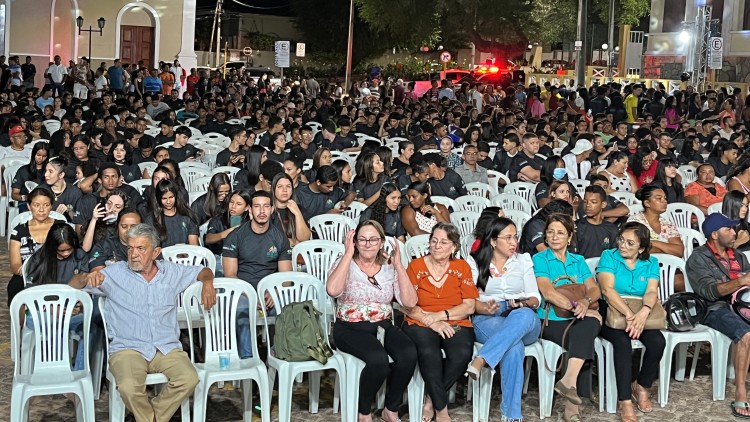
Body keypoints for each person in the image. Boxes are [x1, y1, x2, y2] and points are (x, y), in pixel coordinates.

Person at [69, 223, 216, 422]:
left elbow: (204, 270)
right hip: (127, 348)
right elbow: (73, 285)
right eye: (130, 248)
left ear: (155, 252)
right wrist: (86, 276)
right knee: (129, 387)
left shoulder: (171, 272)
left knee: (189, 378)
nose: (134, 254)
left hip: (166, 347)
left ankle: (148, 416)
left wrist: (208, 283)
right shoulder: (114, 274)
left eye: (141, 248)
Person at [327, 220, 417, 422]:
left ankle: (390, 408)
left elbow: (410, 302)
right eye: (362, 239)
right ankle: (364, 411)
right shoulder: (344, 262)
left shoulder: (389, 267)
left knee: (409, 353)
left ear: (381, 242)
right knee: (378, 361)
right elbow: (332, 290)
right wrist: (348, 254)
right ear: (355, 242)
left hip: (382, 325)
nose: (368, 244)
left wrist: (399, 266)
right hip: (349, 327)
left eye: (373, 239)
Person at [466, 217, 541, 421]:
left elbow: (536, 297)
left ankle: (482, 358)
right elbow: (468, 299)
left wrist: (523, 302)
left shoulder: (523, 260)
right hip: (487, 317)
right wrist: (482, 306)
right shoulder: (474, 262)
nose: (513, 242)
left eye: (515, 237)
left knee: (523, 315)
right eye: (507, 238)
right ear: (492, 241)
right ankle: (511, 415)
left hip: (522, 318)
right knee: (513, 346)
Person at [402, 223, 478, 422]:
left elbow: (469, 306)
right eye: (434, 241)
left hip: (455, 320)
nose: (437, 246)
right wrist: (430, 321)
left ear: (454, 247)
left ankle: (431, 400)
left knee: (461, 354)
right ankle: (442, 410)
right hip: (419, 321)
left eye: (443, 242)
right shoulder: (415, 266)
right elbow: (406, 304)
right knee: (429, 353)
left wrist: (440, 316)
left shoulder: (462, 267)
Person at [534, 213, 602, 422]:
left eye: (560, 233)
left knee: (591, 322)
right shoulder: (540, 259)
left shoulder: (578, 260)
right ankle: (571, 406)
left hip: (576, 318)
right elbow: (548, 292)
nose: (554, 237)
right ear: (545, 235)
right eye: (550, 232)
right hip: (550, 320)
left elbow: (594, 289)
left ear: (569, 237)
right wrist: (578, 307)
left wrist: (585, 301)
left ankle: (568, 381)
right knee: (588, 326)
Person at [597, 222, 666, 421]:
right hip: (612, 310)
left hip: (641, 310)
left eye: (629, 243)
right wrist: (629, 314)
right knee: (622, 343)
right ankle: (625, 401)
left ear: (641, 248)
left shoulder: (650, 262)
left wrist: (643, 313)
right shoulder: (609, 256)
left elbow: (652, 290)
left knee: (657, 342)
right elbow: (607, 290)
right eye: (621, 240)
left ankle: (642, 386)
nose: (622, 245)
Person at [686, 212, 750, 418]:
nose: (734, 232)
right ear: (714, 234)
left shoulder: (738, 256)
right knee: (746, 335)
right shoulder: (698, 258)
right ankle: (741, 392)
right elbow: (708, 292)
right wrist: (740, 281)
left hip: (743, 304)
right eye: (728, 229)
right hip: (713, 308)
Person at [222, 190, 292, 358]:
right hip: (244, 291)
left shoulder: (280, 238)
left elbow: (286, 278)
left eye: (266, 206)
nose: (262, 211)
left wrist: (274, 292)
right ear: (250, 210)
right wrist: (252, 295)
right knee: (242, 309)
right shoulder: (235, 237)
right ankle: (248, 359)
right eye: (257, 206)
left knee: (288, 308)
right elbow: (230, 276)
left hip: (270, 293)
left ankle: (277, 357)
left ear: (272, 209)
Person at [24, 222, 94, 371]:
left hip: (70, 312)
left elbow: (86, 287)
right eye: (61, 251)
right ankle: (56, 370)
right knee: (56, 326)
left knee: (91, 326)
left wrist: (80, 304)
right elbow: (28, 297)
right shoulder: (38, 260)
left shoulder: (80, 255)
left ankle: (78, 372)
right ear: (52, 247)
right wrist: (49, 308)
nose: (66, 253)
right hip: (41, 312)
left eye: (69, 249)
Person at [7, 187, 57, 304]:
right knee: (15, 287)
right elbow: (15, 265)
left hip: (55, 275)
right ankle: (20, 321)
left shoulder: (61, 228)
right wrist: (30, 272)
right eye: (36, 205)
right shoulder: (19, 231)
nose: (41, 209)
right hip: (26, 275)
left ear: (51, 206)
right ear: (29, 206)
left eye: (46, 205)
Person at [204, 189, 251, 276]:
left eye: (239, 204)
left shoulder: (250, 223)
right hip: (219, 257)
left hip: (243, 260)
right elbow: (208, 239)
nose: (233, 206)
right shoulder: (218, 219)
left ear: (247, 207)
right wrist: (225, 234)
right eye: (231, 202)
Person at [146, 179, 199, 247]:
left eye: (171, 197)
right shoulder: (151, 220)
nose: (168, 202)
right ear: (158, 199)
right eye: (164, 198)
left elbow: (194, 245)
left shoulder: (188, 216)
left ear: (176, 196)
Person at [576, 185, 620, 259]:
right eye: (585, 202)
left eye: (593, 202)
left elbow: (614, 256)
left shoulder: (612, 229)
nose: (588, 205)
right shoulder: (576, 227)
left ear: (603, 204)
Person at [271, 173, 311, 246]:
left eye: (288, 186)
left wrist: (297, 214)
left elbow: (304, 238)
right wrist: (294, 242)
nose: (285, 190)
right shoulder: (268, 210)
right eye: (280, 187)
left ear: (292, 190)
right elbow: (269, 240)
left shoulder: (299, 209)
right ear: (273, 189)